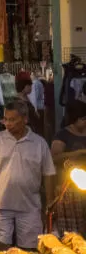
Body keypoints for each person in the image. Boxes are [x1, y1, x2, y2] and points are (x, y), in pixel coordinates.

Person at [0, 99, 56, 249]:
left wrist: (50, 202)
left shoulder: (39, 143)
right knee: (0, 249)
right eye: (6, 119)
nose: (8, 124)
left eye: (13, 120)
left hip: (29, 206)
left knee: (30, 250)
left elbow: (48, 174)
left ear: (25, 119)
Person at [50, 100, 86, 234]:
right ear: (76, 119)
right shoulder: (62, 135)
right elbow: (54, 158)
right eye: (83, 119)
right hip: (70, 188)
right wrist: (78, 153)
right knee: (73, 231)